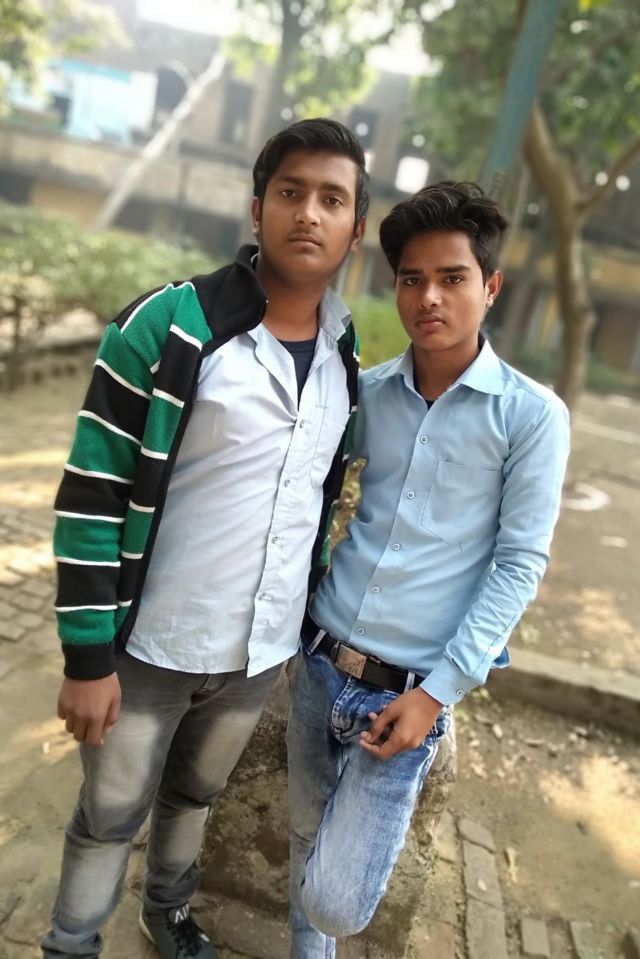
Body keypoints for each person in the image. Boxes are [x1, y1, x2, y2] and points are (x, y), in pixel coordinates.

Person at [42, 117, 368, 959]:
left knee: (194, 796)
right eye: (291, 192)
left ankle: (168, 916)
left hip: (256, 651)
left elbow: (319, 497)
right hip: (149, 646)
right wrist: (86, 657)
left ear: (356, 230)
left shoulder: (343, 351)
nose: (309, 213)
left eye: (332, 199)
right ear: (257, 208)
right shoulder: (171, 325)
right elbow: (91, 493)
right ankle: (70, 943)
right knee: (109, 815)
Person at [287, 181, 571, 958]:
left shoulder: (531, 416)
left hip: (406, 696)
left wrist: (436, 694)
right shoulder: (369, 394)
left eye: (452, 277)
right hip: (320, 661)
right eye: (412, 279)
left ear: (491, 286)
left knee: (336, 899)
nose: (430, 298)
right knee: (304, 839)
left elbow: (519, 563)